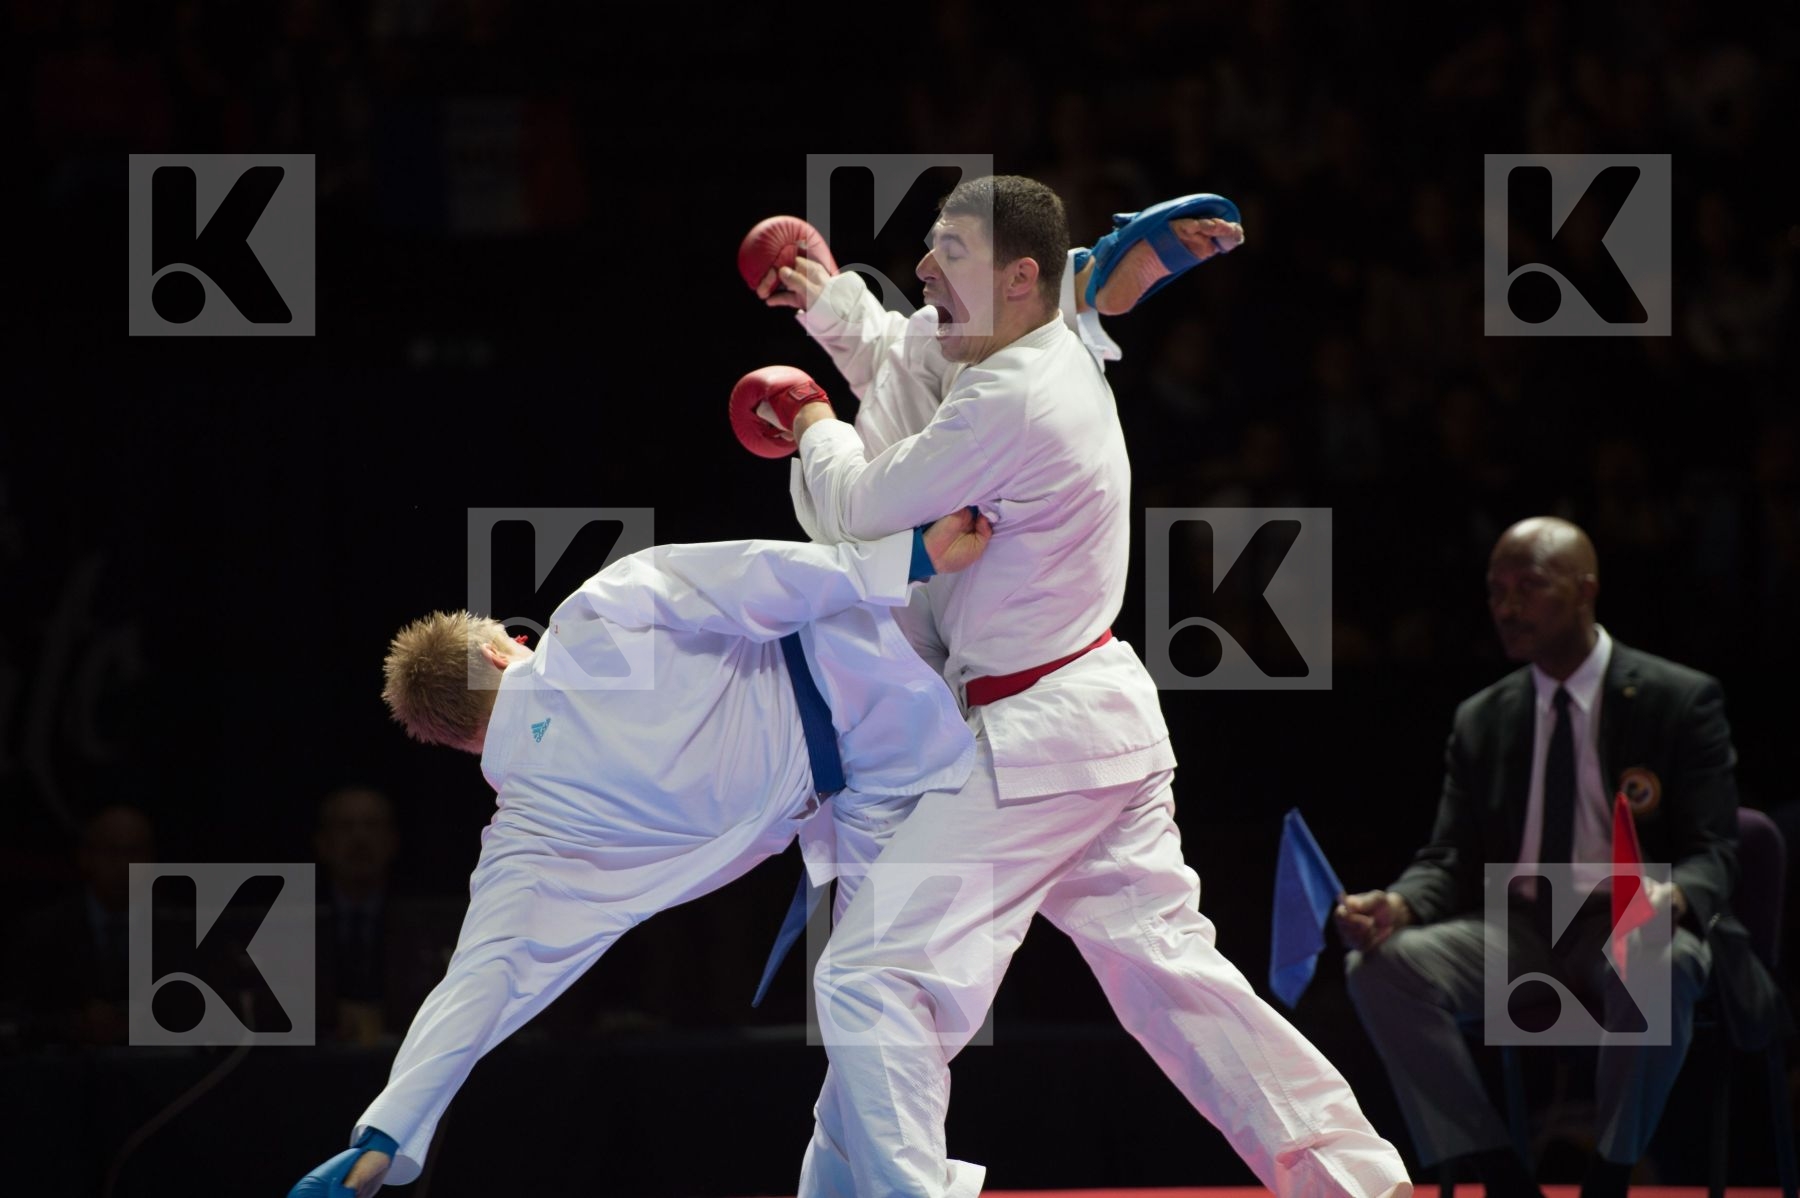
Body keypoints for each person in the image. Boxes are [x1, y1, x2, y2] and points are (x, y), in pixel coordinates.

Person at [753, 175, 1410, 1198]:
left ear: (1021, 277)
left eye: (948, 255)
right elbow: (911, 351)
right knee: (1177, 987)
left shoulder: (1010, 396)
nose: (923, 272)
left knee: (873, 976)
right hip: (1086, 716)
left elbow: (857, 506)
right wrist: (832, 301)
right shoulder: (1019, 342)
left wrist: (804, 419)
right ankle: (1361, 1184)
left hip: (1035, 737)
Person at [287, 512, 991, 1197]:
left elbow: (478, 981)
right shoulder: (592, 619)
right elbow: (751, 576)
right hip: (884, 667)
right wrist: (909, 560)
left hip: (887, 765)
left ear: (455, 740)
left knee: (875, 1006)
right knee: (868, 1020)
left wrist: (382, 1134)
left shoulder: (530, 834)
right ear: (502, 650)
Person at [1335, 516, 1786, 1198]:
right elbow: (1450, 855)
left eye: (1529, 587)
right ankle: (1500, 1172)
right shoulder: (1482, 718)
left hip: (1631, 925)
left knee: (1659, 960)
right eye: (1495, 591)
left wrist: (1674, 897)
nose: (1508, 607)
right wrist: (1398, 903)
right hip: (1521, 931)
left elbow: (1716, 852)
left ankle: (1607, 1176)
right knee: (1379, 968)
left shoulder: (1676, 699)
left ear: (1585, 591)